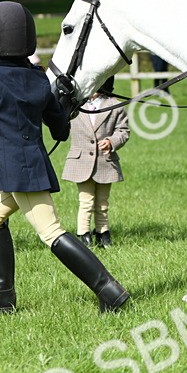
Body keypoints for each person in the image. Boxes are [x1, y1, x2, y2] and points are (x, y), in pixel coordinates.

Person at [0, 2, 129, 314]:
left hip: (20, 172)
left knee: (51, 232)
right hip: (26, 167)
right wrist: (60, 112)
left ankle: (109, 290)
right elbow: (59, 127)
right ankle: (2, 296)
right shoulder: (37, 77)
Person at [62, 77, 130, 249]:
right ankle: (83, 234)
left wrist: (112, 141)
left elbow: (123, 131)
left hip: (105, 162)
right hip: (81, 161)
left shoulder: (115, 105)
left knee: (102, 202)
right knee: (86, 201)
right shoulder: (75, 104)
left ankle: (103, 233)